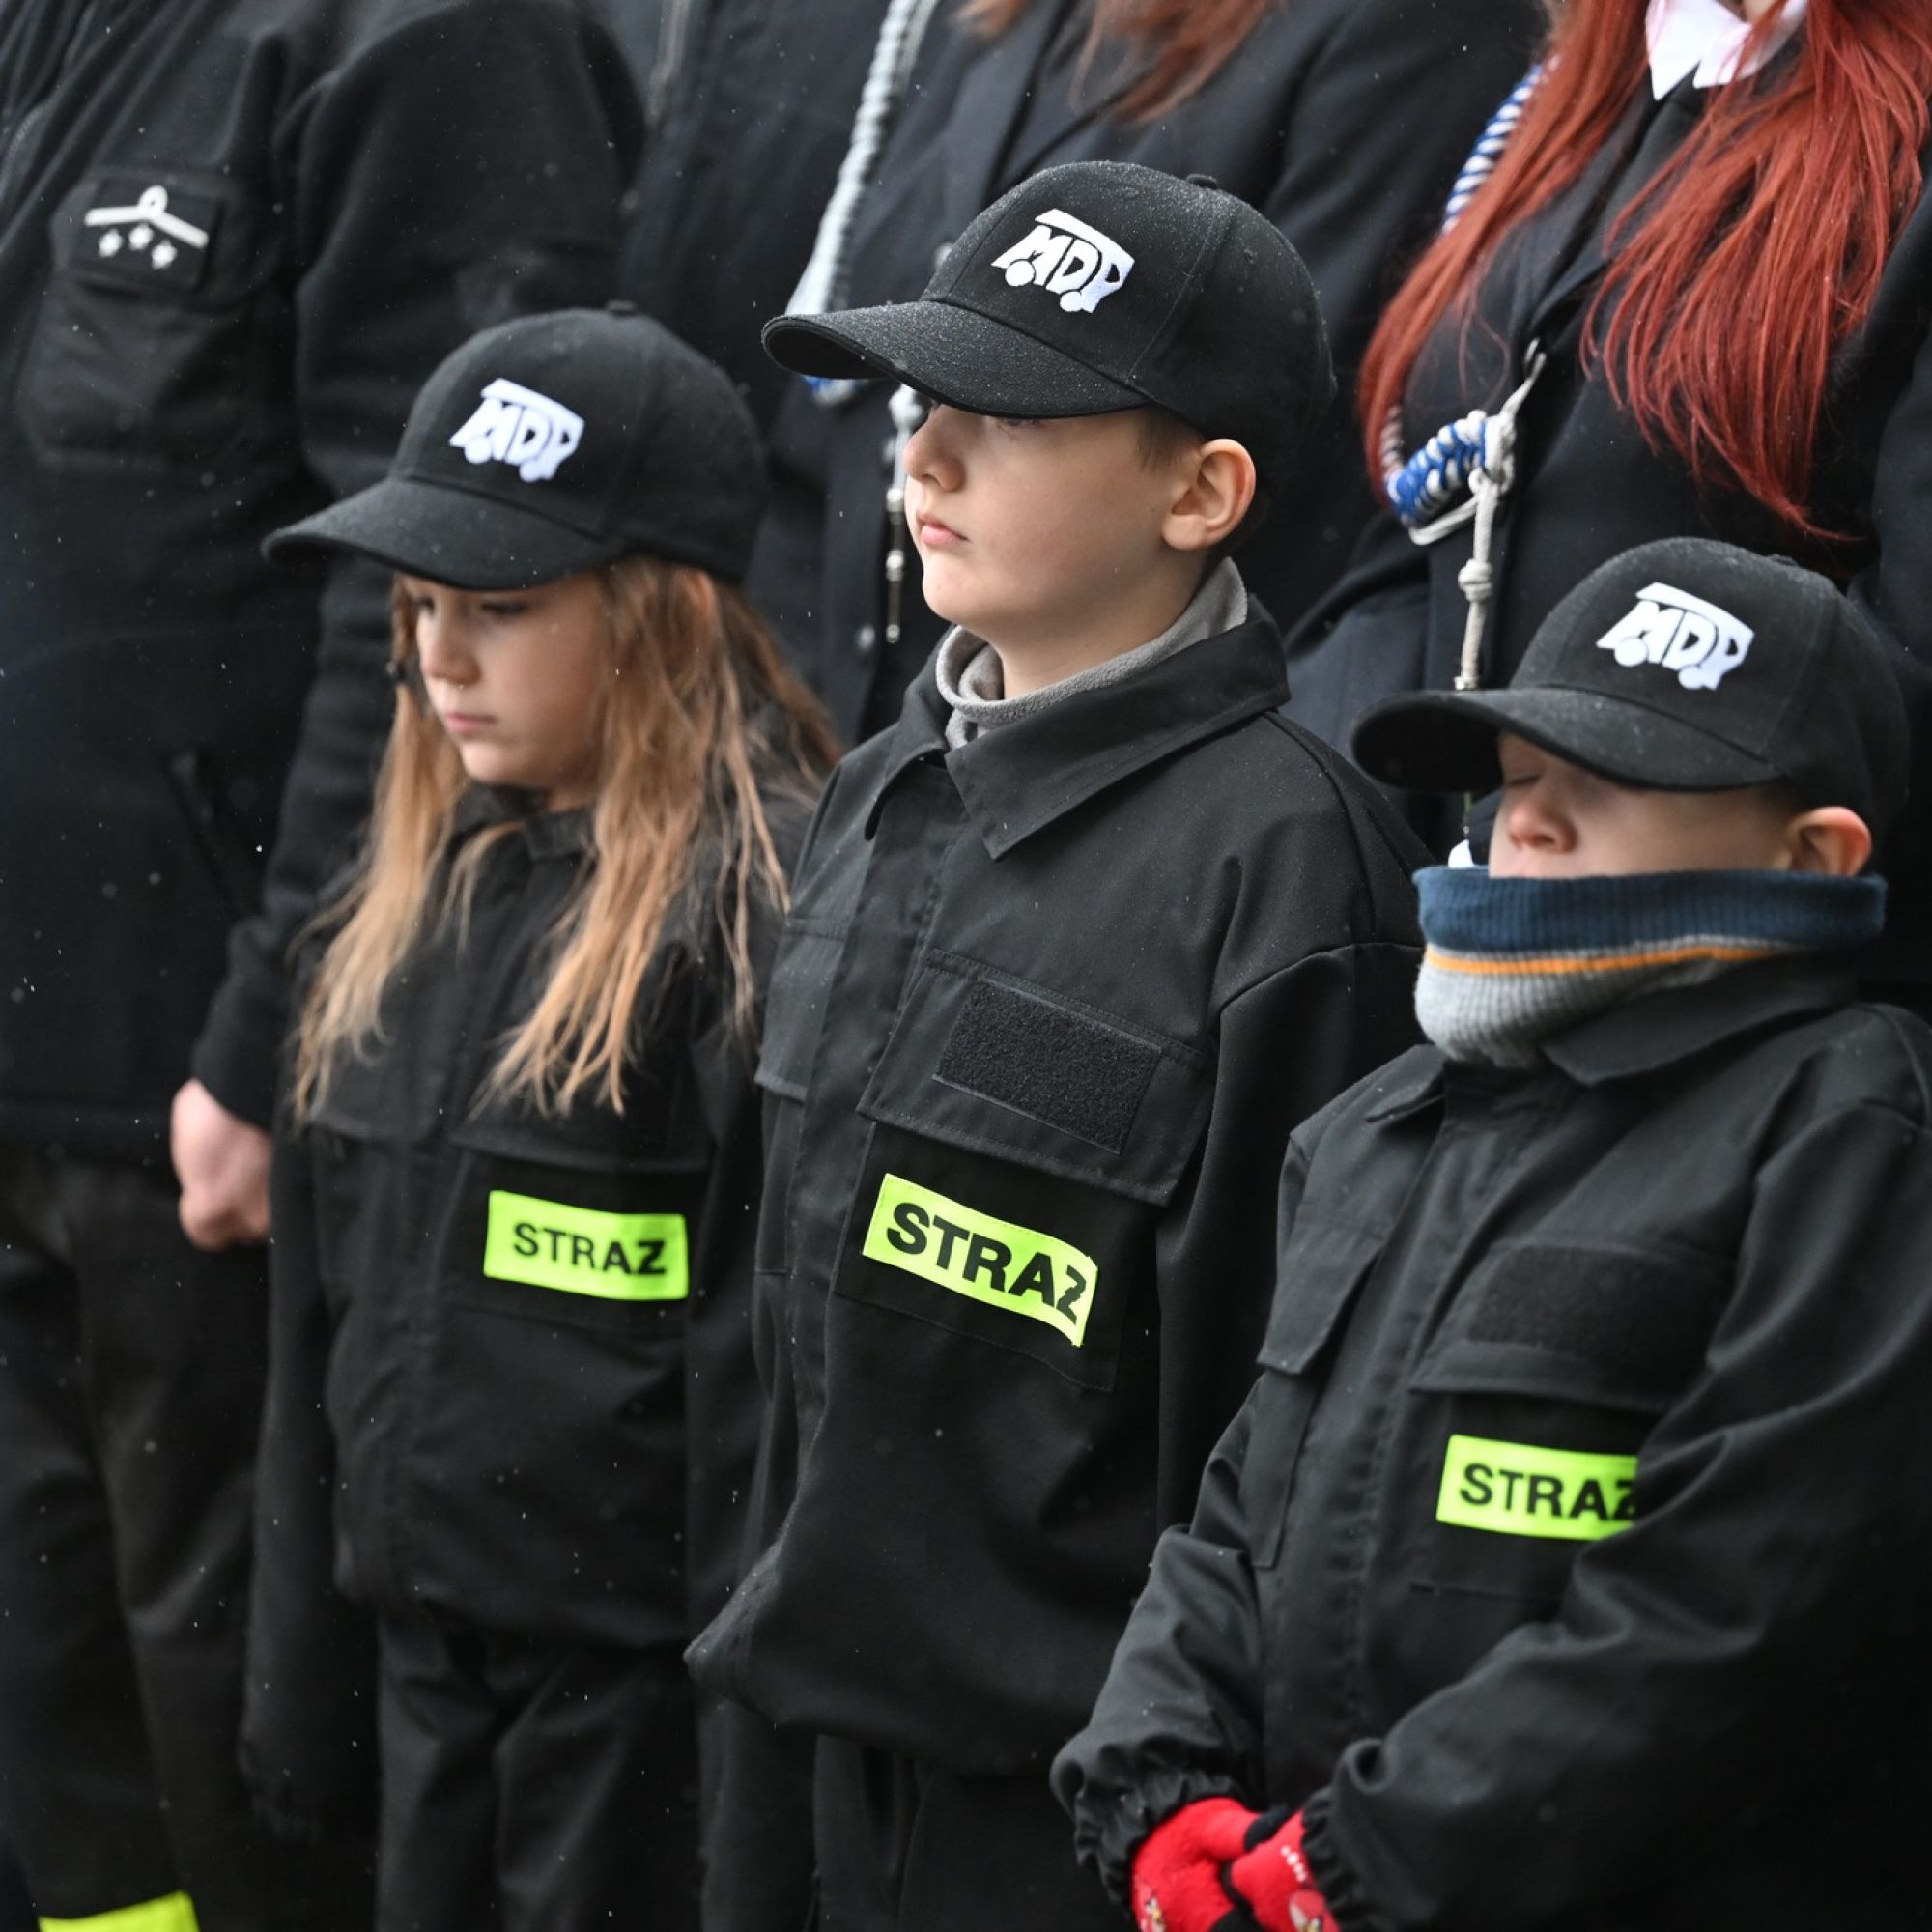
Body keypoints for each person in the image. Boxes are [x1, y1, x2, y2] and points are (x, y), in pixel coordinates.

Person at [686, 161, 1430, 1932]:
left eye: (1008, 415)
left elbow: (1283, 1420)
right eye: (920, 400)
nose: (926, 454)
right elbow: (762, 1304)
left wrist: (1186, 1788)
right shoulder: (880, 791)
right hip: (793, 1752)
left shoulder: (1294, 875)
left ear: (1202, 491)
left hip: (1074, 1817)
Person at [0, 6, 641, 1927]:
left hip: (211, 1100)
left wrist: (276, 1024)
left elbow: (439, 577)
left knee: (245, 1753)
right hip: (31, 1031)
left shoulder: (436, 41)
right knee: (59, 1751)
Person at [1057, 535, 1932, 1931]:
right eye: (1519, 775)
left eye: (1614, 781)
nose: (1530, 820)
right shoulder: (1376, 1125)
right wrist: (1156, 1788)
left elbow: (1747, 1603)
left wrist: (1360, 1858)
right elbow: (1230, 1523)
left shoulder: (1847, 1126)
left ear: (1810, 853)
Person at [242, 306, 837, 1931]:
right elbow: (312, 1337)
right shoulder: (398, 911)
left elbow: (768, 1406)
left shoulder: (760, 920)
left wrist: (749, 1807)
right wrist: (297, 1690)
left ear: (660, 615)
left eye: (500, 605)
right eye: (419, 604)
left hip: (640, 1727)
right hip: (423, 1684)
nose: (441, 657)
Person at [1283, 0, 1932, 997]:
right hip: (1450, 916)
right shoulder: (1583, 78)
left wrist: (1561, 839)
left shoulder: (1899, 136)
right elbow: (1422, 530)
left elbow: (1904, 663)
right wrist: (1321, 827)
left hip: (1707, 971)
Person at [751, 0, 1543, 743]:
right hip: (891, 726)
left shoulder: (1403, 26)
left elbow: (1291, 465)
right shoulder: (1010, 17)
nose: (928, 454)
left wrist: (1071, 776)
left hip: (1136, 752)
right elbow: (835, 427)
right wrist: (808, 732)